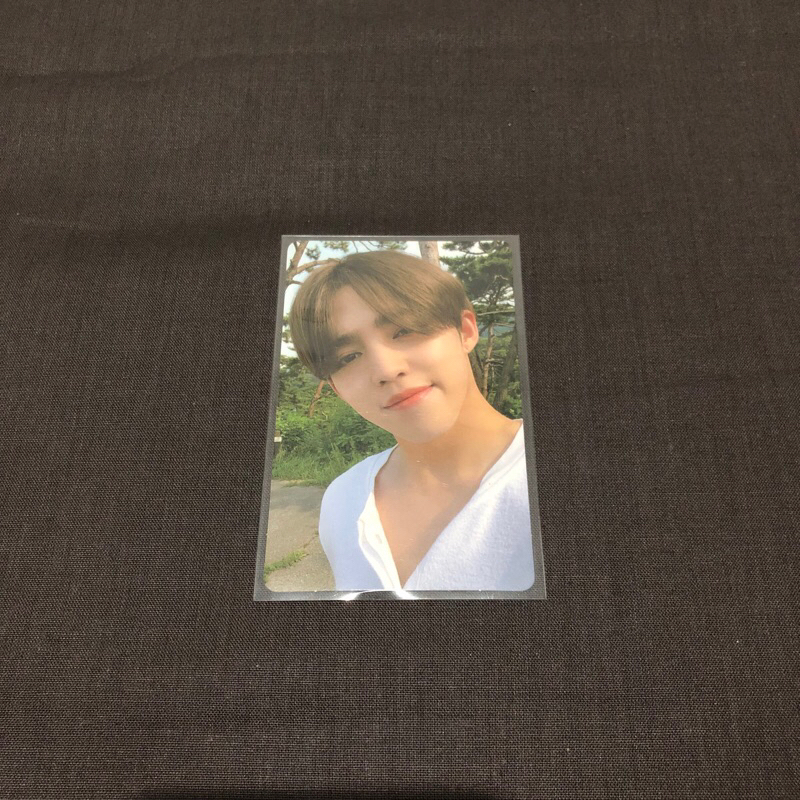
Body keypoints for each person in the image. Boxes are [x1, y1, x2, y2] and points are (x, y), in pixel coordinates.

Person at [289, 249, 534, 591]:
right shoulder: (343, 502)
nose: (386, 370)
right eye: (348, 357)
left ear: (465, 330)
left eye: (404, 330)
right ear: (336, 387)